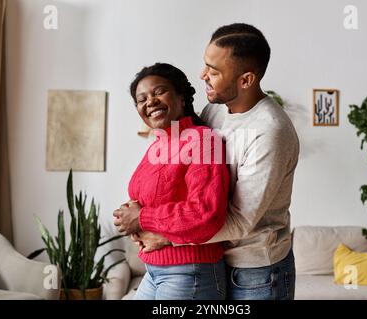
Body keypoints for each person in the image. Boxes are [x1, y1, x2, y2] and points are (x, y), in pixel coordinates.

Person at [123, 23, 300, 300]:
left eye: (214, 71)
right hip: (214, 258)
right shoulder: (215, 109)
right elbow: (187, 167)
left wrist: (163, 233)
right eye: (205, 65)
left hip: (256, 270)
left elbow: (240, 220)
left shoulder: (270, 131)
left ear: (246, 80)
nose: (202, 75)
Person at [113, 63, 230, 300]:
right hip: (155, 269)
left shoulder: (203, 140)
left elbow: (206, 214)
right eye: (141, 99)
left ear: (181, 97)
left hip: (190, 272)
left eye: (158, 92)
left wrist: (141, 218)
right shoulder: (158, 146)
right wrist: (132, 220)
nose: (150, 102)